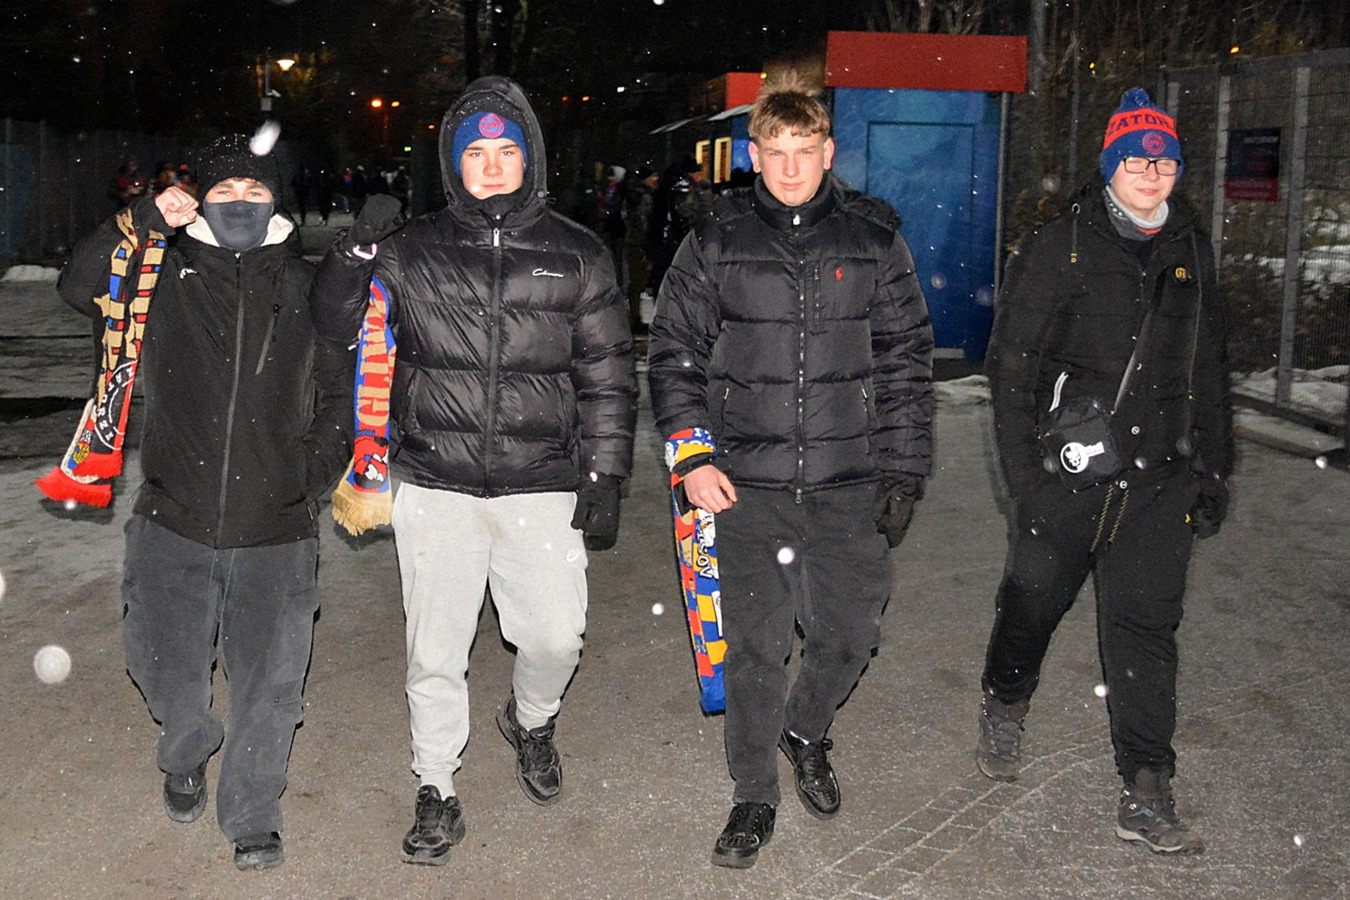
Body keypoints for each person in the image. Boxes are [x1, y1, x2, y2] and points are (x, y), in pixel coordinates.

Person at [309, 75, 637, 867]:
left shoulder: (578, 253)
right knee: (435, 650)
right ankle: (436, 786)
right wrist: (354, 253)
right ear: (455, 165)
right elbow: (335, 324)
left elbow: (608, 375)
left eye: (506, 152)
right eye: (476, 154)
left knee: (555, 637)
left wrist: (605, 473)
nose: (492, 166)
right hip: (435, 482)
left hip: (541, 482)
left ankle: (530, 719)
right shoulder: (413, 249)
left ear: (530, 160)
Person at [647, 73, 934, 870]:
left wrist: (903, 470)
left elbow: (907, 362)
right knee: (754, 648)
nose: (791, 167)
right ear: (754, 156)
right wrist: (693, 454)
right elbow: (673, 355)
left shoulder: (874, 241)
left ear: (829, 152)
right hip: (747, 485)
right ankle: (753, 793)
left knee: (850, 635)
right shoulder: (716, 241)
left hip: (848, 482)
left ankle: (804, 729)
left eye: (805, 151)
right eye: (776, 152)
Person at [55, 134, 355, 870]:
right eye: (225, 191)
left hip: (276, 526)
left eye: (256, 191)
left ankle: (252, 812)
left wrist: (309, 473)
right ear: (200, 201)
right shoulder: (161, 271)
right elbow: (78, 286)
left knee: (270, 684)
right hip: (173, 514)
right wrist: (141, 219)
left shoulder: (305, 283)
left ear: (276, 202)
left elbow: (340, 388)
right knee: (162, 663)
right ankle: (185, 748)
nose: (240, 203)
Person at [975, 88, 1231, 855]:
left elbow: (1208, 365)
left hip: (1159, 483)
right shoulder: (1060, 247)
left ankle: (1147, 787)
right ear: (1111, 166)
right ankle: (1005, 701)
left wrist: (1213, 467)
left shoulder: (1190, 248)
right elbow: (1012, 371)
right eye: (1136, 161)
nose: (1151, 174)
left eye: (1164, 162)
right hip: (1069, 477)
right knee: (1032, 607)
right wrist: (1025, 485)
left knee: (1146, 632)